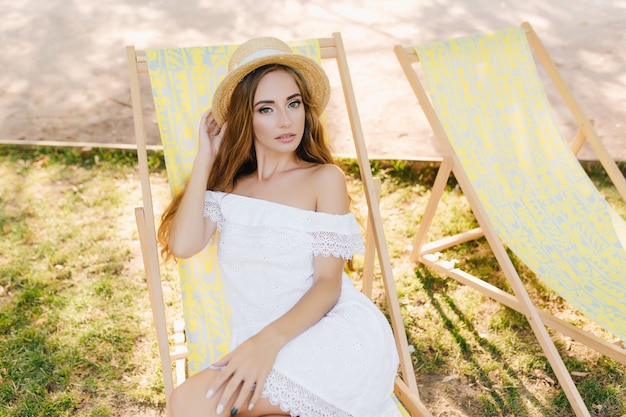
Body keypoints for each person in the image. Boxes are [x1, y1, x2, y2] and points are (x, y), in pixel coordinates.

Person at [157, 36, 401, 417]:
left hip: (332, 336)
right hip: (266, 346)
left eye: (293, 103)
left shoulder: (323, 179)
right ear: (245, 118)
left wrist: (264, 345)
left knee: (187, 404)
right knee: (187, 404)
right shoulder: (230, 188)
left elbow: (327, 285)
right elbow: (184, 245)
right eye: (266, 109)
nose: (286, 121)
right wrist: (205, 157)